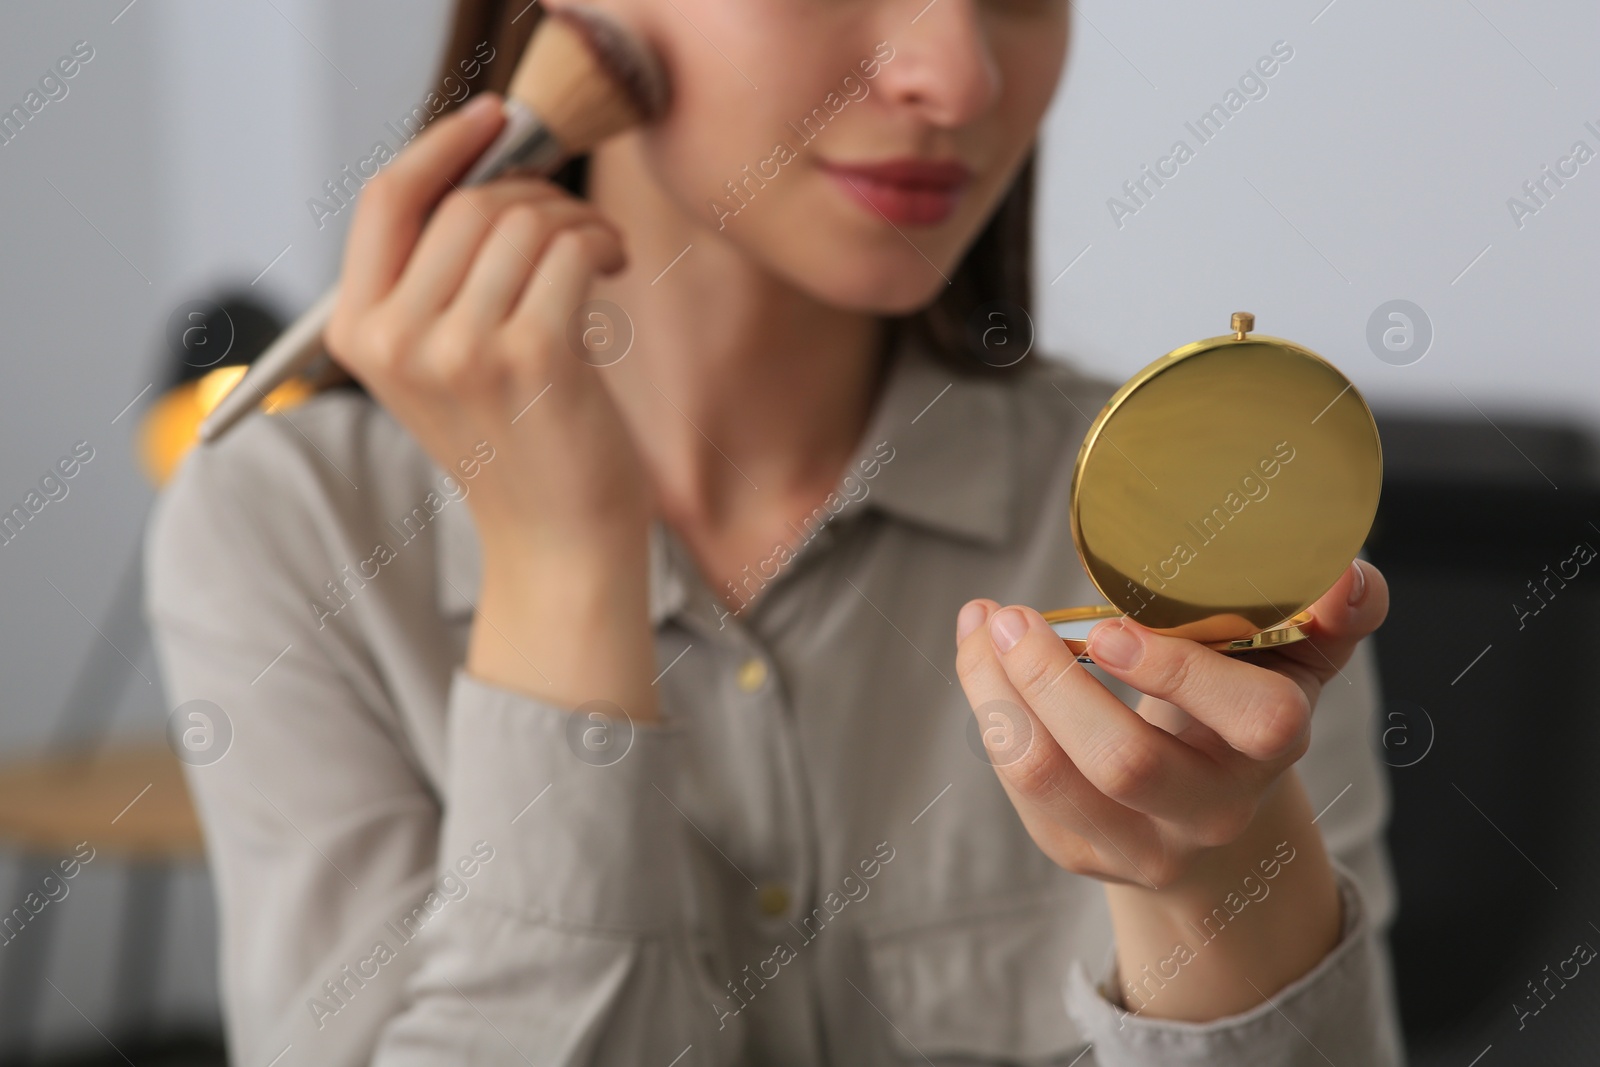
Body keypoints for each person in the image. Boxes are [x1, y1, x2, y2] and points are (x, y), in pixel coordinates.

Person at [143, 1, 1404, 1063]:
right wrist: (562, 567)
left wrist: (1198, 878)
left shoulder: (1195, 521)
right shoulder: (288, 526)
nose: (956, 74)